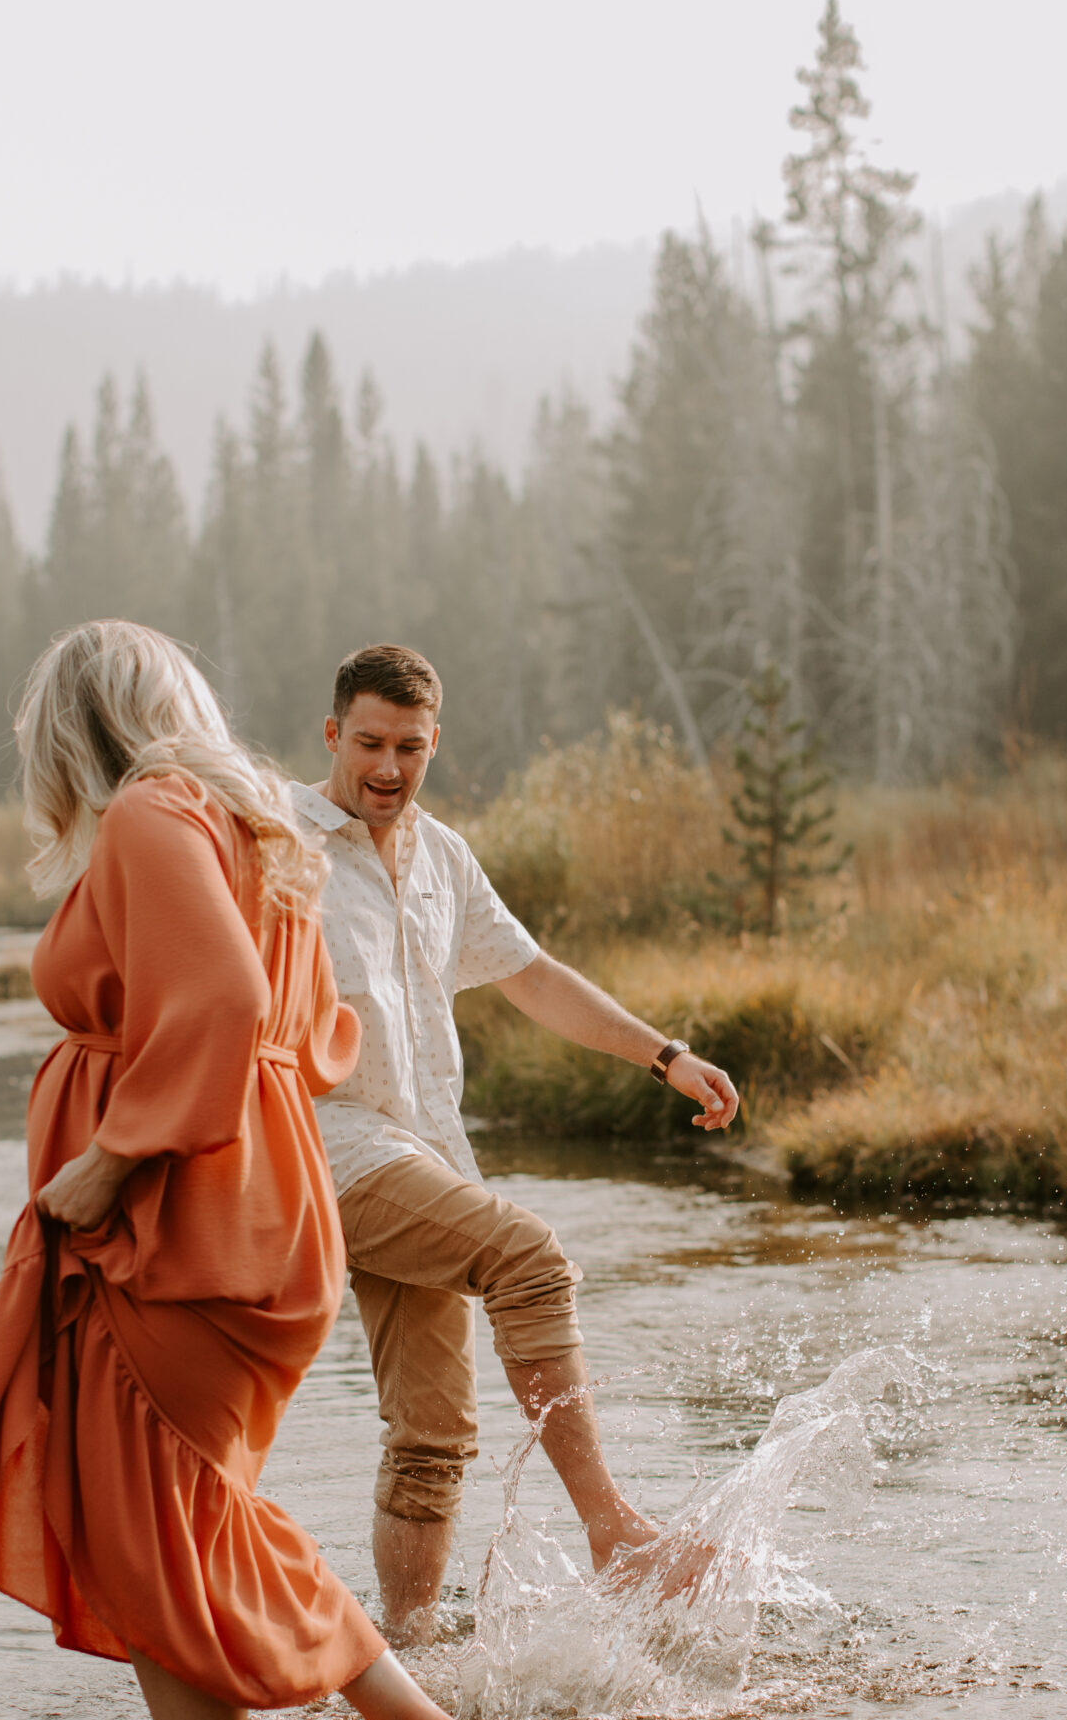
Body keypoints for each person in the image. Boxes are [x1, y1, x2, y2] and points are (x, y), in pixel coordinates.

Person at [0, 622, 482, 1720]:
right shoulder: (247, 821)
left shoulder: (149, 815)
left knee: (167, 1515)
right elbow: (312, 1022)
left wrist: (112, 1154)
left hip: (181, 1219)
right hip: (250, 1204)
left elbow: (228, 1003)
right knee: (170, 1521)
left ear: (72, 731)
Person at [292, 644, 741, 1644]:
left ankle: (408, 1656)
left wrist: (663, 1054)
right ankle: (615, 1533)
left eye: (409, 746)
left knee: (433, 1437)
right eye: (368, 742)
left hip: (421, 1157)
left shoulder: (443, 858)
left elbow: (535, 978)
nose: (387, 766)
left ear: (434, 743)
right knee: (527, 1256)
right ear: (332, 736)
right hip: (326, 1154)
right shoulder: (276, 846)